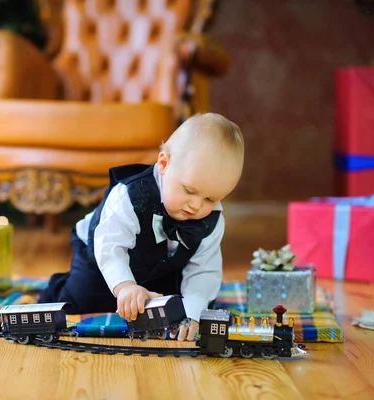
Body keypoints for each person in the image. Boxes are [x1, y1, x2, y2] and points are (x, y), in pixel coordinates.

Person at [38, 113, 244, 341]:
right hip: (101, 255)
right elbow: (110, 247)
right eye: (189, 190)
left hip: (162, 263)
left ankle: (150, 292)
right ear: (164, 164)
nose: (196, 205)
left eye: (210, 199)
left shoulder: (211, 220)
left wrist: (192, 315)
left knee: (178, 303)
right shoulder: (130, 195)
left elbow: (203, 271)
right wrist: (125, 286)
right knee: (83, 300)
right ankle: (59, 288)